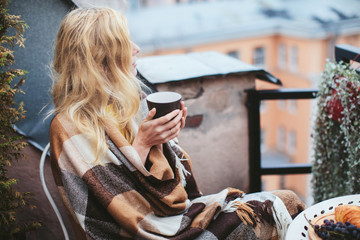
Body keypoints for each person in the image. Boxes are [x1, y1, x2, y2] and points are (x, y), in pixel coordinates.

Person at [49, 7, 305, 240]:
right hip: (144, 234)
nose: (136, 48)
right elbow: (114, 211)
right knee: (280, 205)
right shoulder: (68, 127)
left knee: (287, 203)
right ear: (101, 59)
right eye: (124, 43)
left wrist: (162, 143)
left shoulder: (129, 103)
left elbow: (173, 197)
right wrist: (143, 145)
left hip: (171, 220)